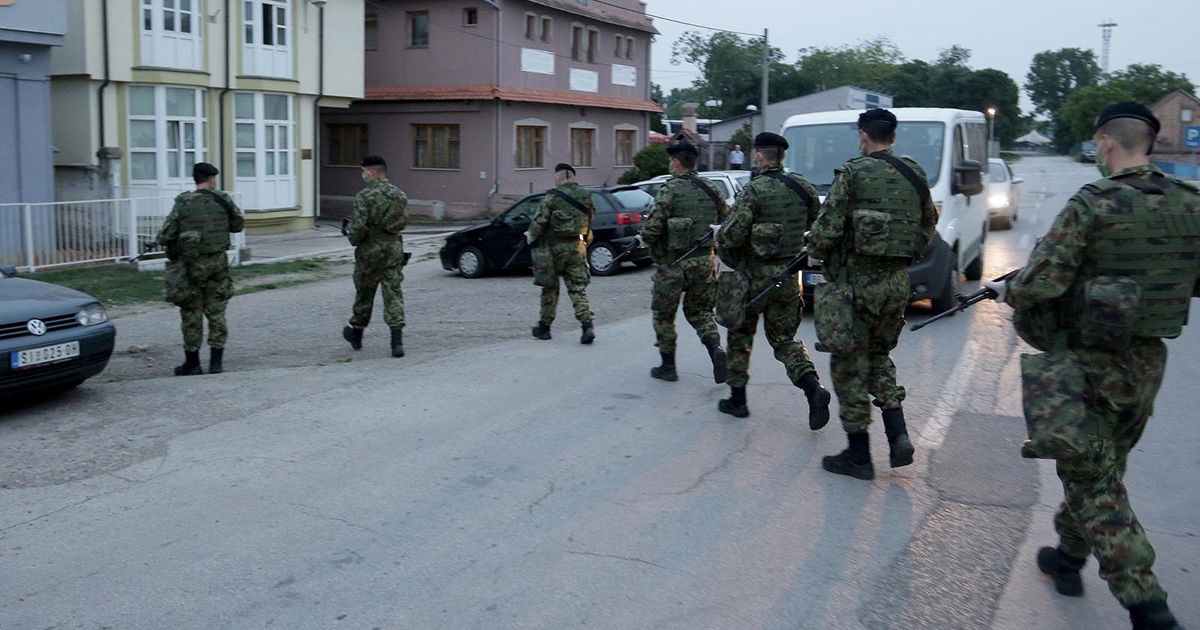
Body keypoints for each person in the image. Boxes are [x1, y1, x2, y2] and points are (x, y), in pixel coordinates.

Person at [984, 102, 1197, 630]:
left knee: (1095, 485)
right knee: (1101, 466)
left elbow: (1043, 282)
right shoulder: (1192, 204)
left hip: (1086, 366)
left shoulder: (1094, 202)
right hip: (1148, 362)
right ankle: (1068, 559)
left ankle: (1149, 608)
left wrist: (1006, 289)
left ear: (1104, 142)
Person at [809, 108, 938, 481]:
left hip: (854, 284)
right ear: (894, 138)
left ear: (863, 136)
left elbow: (826, 230)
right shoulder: (914, 172)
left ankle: (858, 455)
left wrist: (818, 247)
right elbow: (928, 223)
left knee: (849, 366)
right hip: (897, 282)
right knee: (879, 356)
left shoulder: (852, 172)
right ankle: (897, 434)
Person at [716, 132, 831, 424]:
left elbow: (732, 235)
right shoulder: (803, 188)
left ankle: (737, 400)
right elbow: (817, 228)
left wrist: (728, 251)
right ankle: (812, 388)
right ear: (783, 155)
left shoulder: (754, 190)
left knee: (740, 336)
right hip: (789, 275)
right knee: (784, 339)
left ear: (758, 155)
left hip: (753, 277)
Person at [638, 141, 729, 383]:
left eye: (671, 161)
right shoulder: (712, 188)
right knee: (701, 312)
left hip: (672, 265)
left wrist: (643, 237)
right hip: (703, 262)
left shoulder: (670, 189)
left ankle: (668, 366)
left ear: (676, 162)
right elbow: (727, 221)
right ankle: (716, 350)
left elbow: (653, 227)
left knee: (663, 315)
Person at [157, 162, 244, 376]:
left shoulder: (183, 202)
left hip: (190, 267)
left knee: (191, 312)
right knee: (216, 312)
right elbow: (238, 225)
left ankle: (192, 363)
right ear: (212, 179)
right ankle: (216, 363)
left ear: (195, 178)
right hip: (217, 266)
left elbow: (165, 235)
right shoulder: (223, 199)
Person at [342, 155, 409, 358]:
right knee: (393, 294)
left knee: (364, 292)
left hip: (369, 251)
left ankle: (357, 336)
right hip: (392, 249)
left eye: (364, 171)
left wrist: (350, 234)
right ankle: (396, 343)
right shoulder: (399, 195)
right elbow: (402, 223)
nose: (363, 175)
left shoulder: (364, 196)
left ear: (371, 171)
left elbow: (359, 226)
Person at [525, 163, 596, 344]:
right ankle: (587, 324)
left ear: (559, 177)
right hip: (577, 247)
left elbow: (540, 220)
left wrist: (530, 235)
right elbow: (591, 216)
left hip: (553, 250)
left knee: (550, 289)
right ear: (573, 176)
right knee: (577, 288)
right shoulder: (586, 195)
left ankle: (544, 328)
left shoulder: (552, 197)